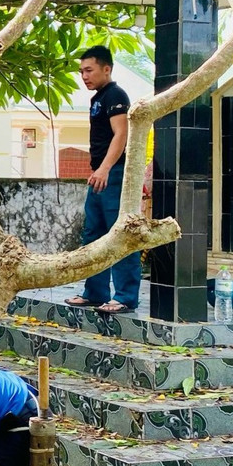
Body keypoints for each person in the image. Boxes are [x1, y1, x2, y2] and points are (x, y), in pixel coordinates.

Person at [66, 45, 140, 315]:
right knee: (93, 235)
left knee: (120, 235)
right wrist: (98, 169)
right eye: (81, 71)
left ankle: (126, 297)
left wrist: (106, 168)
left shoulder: (116, 95)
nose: (84, 76)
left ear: (106, 69)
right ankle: (95, 292)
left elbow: (121, 134)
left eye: (89, 70)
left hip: (114, 175)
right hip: (99, 174)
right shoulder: (97, 98)